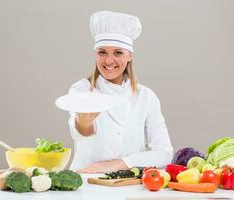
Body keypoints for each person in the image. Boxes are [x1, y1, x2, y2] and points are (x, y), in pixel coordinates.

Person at [68, 11, 173, 173]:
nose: (109, 61)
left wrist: (120, 163)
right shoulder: (81, 90)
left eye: (118, 53)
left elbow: (164, 153)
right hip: (85, 181)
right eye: (102, 52)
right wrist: (84, 123)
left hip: (128, 182)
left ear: (129, 55)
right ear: (95, 54)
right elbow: (82, 132)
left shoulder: (145, 96)